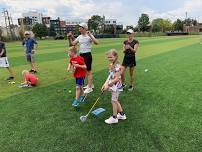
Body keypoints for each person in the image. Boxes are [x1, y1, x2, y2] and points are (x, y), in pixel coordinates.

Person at [67, 22, 99, 94]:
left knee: (89, 71)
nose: (79, 28)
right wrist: (69, 38)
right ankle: (91, 84)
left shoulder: (89, 36)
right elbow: (72, 44)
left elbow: (97, 42)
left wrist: (90, 35)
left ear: (84, 28)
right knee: (84, 71)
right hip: (81, 55)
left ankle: (90, 87)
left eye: (80, 27)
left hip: (87, 55)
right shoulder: (79, 36)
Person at [101, 49, 126, 124]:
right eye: (108, 57)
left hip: (116, 86)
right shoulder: (111, 65)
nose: (109, 59)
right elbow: (110, 76)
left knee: (113, 101)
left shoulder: (118, 66)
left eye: (111, 57)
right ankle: (122, 115)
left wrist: (108, 85)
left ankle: (114, 118)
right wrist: (105, 84)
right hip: (113, 85)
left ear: (116, 56)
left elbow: (117, 78)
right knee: (115, 100)